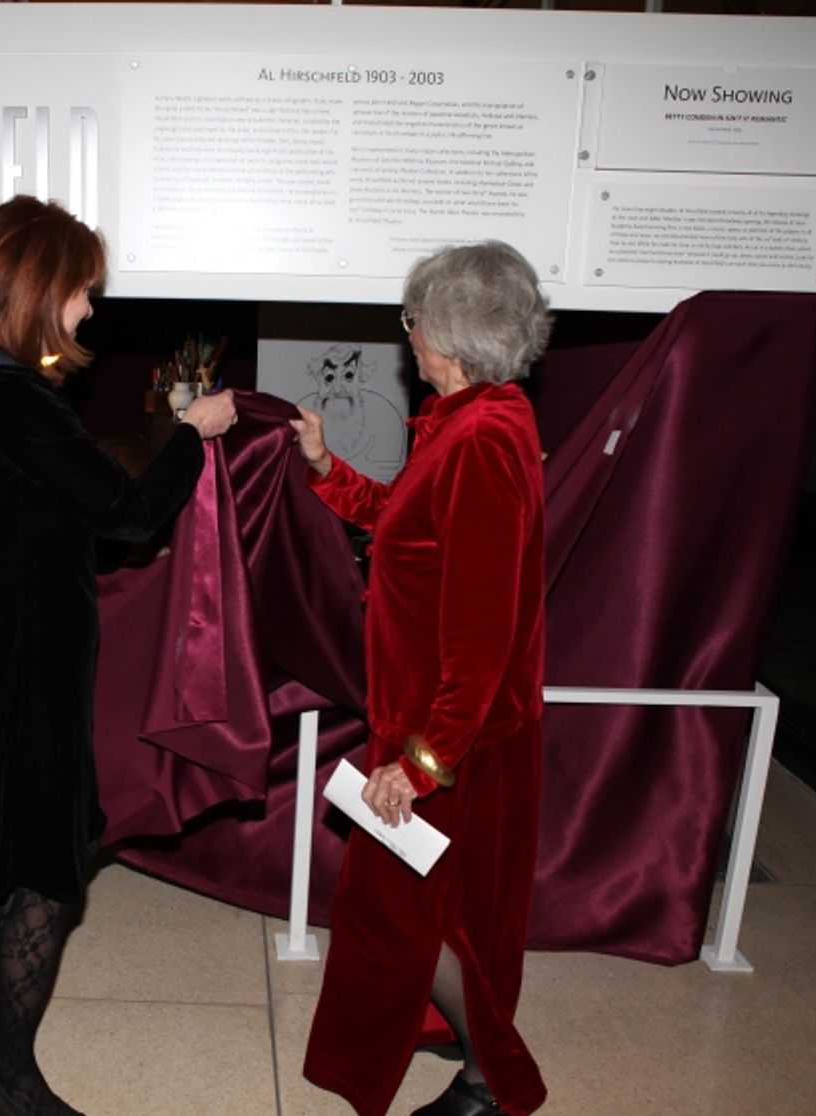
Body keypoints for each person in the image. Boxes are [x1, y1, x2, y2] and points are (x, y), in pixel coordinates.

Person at [0, 195, 236, 1116]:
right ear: (44, 288)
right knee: (51, 864)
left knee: (47, 840)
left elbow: (57, 519)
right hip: (17, 664)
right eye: (84, 291)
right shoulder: (11, 395)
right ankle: (7, 1066)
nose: (90, 309)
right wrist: (191, 437)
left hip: (6, 651)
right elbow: (124, 515)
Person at [293, 241, 550, 1116]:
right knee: (431, 917)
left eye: (410, 321)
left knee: (404, 917)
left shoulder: (481, 440)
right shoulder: (471, 423)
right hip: (429, 725)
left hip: (443, 737)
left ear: (443, 332)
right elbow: (410, 527)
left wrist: (426, 762)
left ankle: (492, 1082)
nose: (405, 339)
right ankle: (483, 1075)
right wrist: (329, 470)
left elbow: (482, 630)